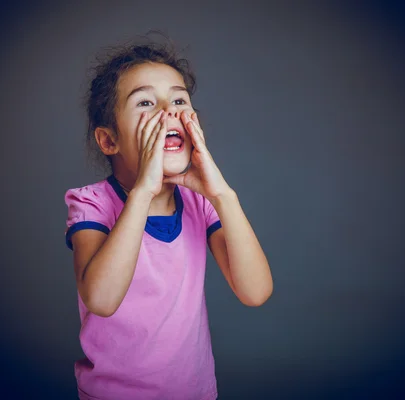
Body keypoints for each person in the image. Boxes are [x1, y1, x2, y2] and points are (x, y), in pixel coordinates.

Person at [64, 35, 273, 400]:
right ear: (109, 140)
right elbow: (102, 299)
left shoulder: (200, 201)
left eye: (178, 100)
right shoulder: (91, 203)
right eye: (145, 102)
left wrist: (223, 195)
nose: (168, 111)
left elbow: (255, 292)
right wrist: (143, 191)